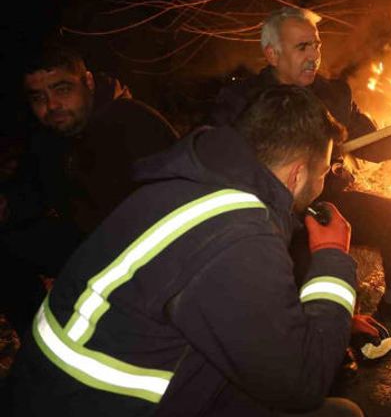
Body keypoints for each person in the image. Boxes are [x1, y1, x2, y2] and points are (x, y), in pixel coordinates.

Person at [11, 85, 363, 416]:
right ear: (297, 175)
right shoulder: (240, 235)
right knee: (342, 413)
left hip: (56, 391)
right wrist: (332, 257)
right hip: (102, 405)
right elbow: (301, 383)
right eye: (324, 172)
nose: (324, 182)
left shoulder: (190, 182)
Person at [211, 7, 391, 337]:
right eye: (302, 47)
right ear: (272, 54)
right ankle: (313, 331)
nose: (314, 55)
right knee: (301, 255)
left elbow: (368, 142)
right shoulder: (241, 100)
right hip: (269, 209)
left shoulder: (334, 93)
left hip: (324, 199)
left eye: (316, 45)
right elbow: (219, 156)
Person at [0, 45, 178, 337]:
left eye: (62, 89)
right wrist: (9, 205)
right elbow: (33, 190)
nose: (52, 105)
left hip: (146, 256)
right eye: (38, 97)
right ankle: (39, 339)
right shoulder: (49, 136)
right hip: (88, 244)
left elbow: (174, 211)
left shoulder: (136, 125)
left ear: (89, 82)